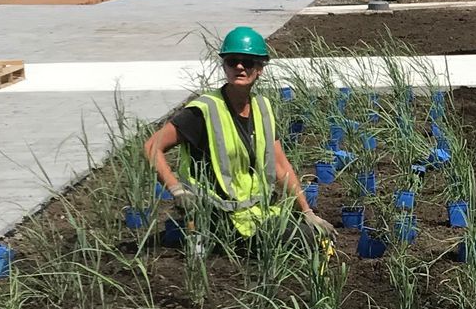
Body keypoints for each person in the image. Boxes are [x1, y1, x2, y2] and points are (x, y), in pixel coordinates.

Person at [142, 26, 334, 244]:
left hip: (255, 214)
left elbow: (280, 166)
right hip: (217, 218)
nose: (240, 67)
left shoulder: (262, 108)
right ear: (225, 65)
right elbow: (151, 147)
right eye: (233, 61)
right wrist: (177, 190)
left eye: (248, 62)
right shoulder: (203, 111)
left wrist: (307, 212)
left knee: (315, 234)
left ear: (260, 68)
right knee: (305, 240)